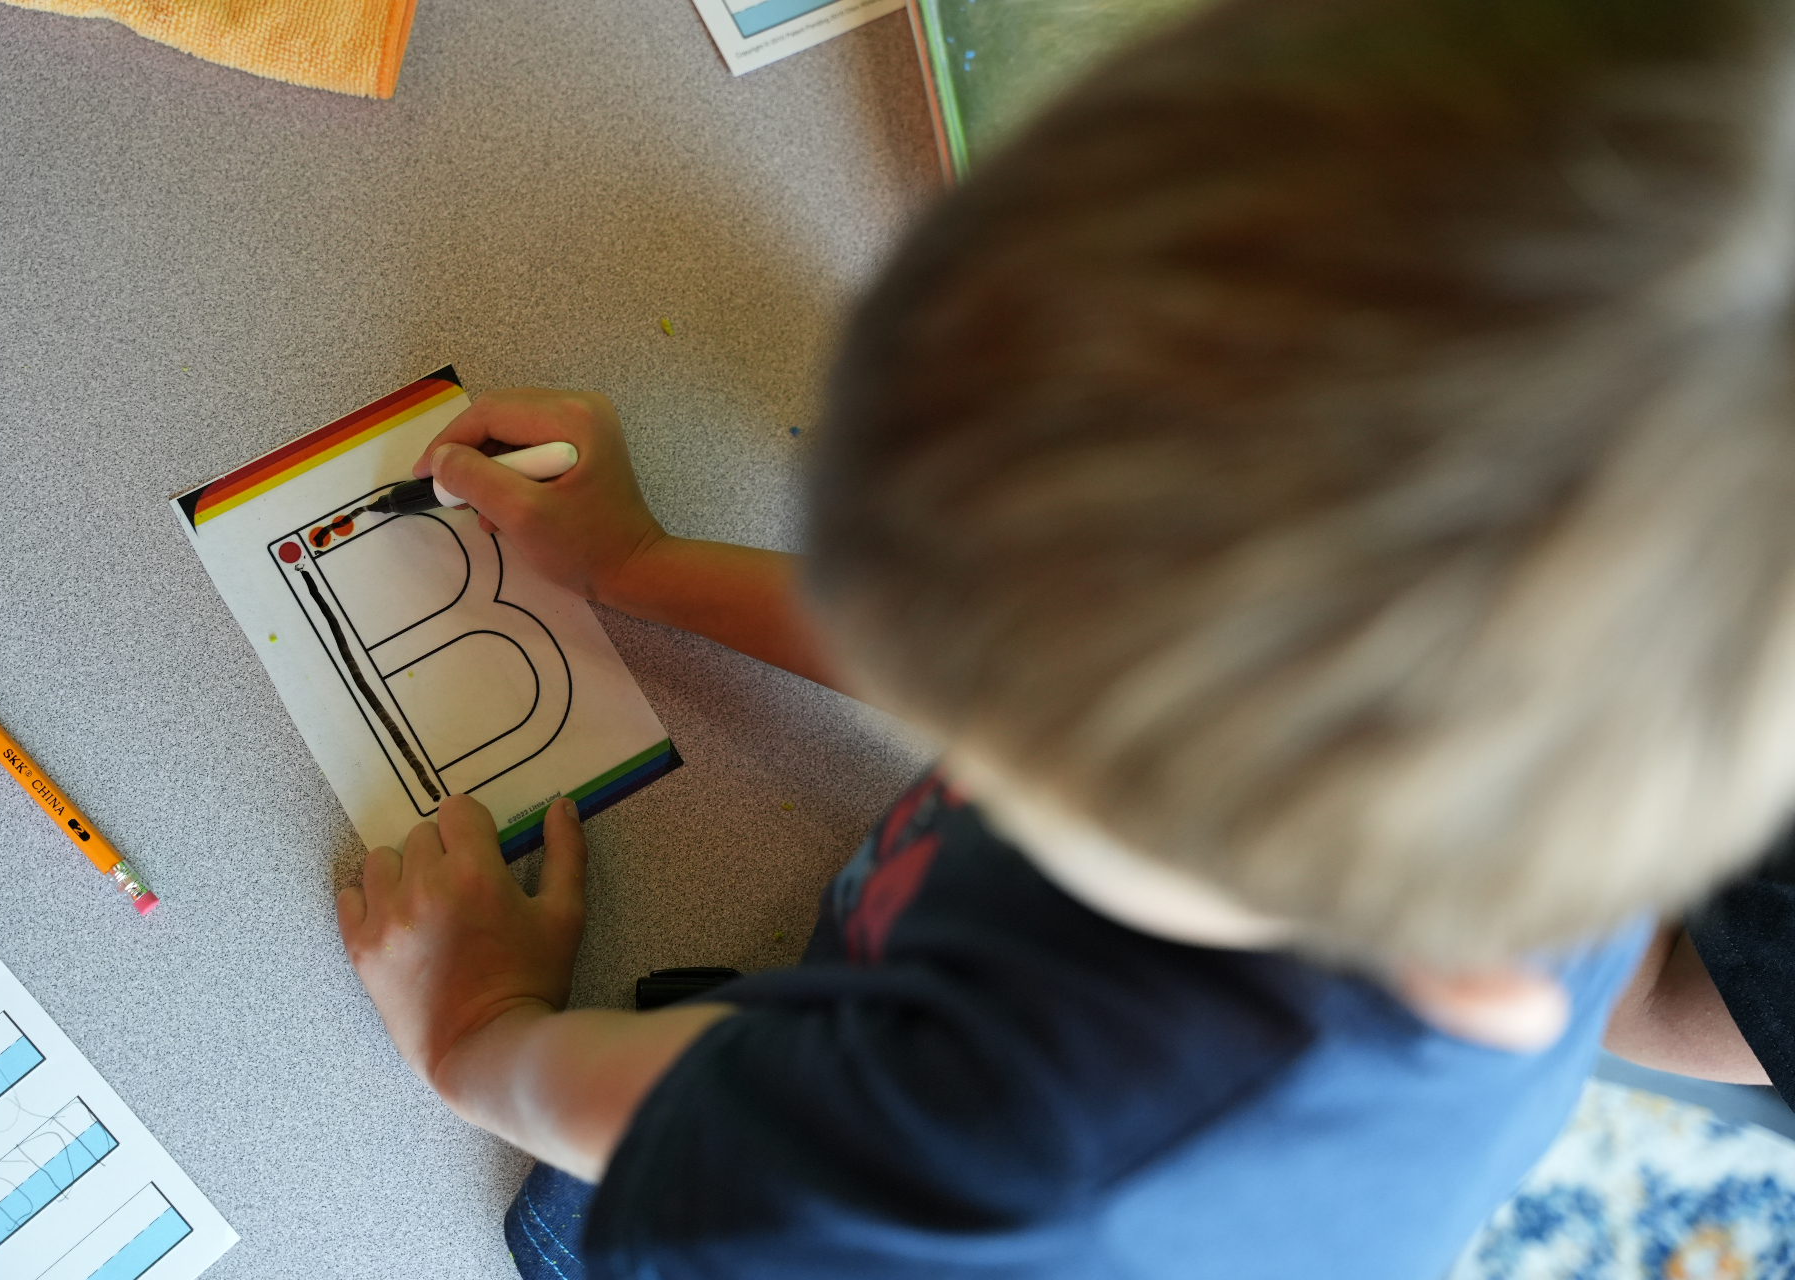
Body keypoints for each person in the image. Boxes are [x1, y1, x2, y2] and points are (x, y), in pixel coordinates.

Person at [334, 0, 1795, 1274]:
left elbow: (699, 1122)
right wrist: (641, 569)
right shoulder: (1551, 786)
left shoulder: (990, 1149)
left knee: (576, 1230)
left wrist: (476, 1032)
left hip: (823, 1206)